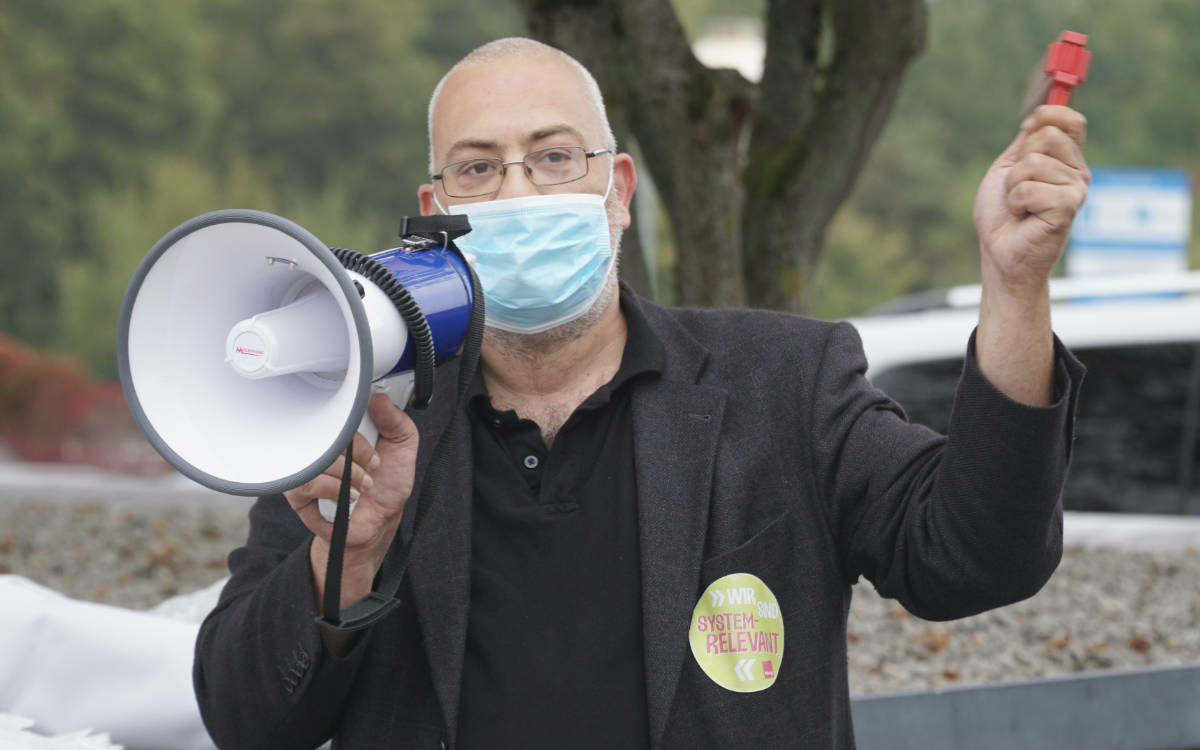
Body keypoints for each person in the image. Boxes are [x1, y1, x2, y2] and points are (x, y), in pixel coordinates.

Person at [194, 37, 1089, 749]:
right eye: (478, 169)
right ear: (434, 211)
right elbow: (245, 719)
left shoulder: (783, 384)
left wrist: (1015, 289)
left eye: (552, 157)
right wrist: (346, 560)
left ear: (616, 189)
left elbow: (979, 556)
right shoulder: (363, 418)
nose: (518, 193)